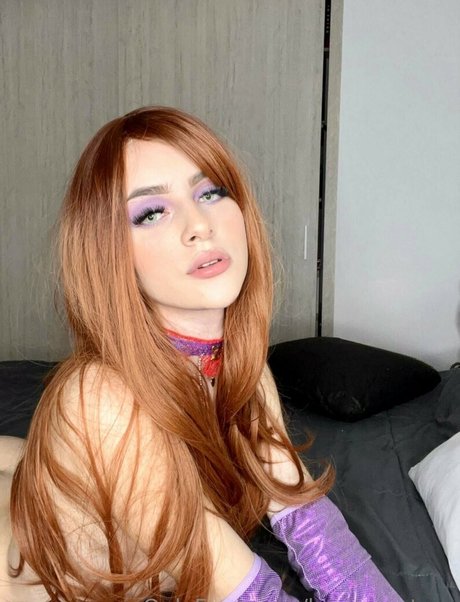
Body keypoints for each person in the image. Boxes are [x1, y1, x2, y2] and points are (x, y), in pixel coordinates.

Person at [0, 107, 403, 601]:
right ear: (109, 253)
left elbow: (309, 523)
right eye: (152, 213)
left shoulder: (237, 365)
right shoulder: (99, 399)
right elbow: (251, 591)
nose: (200, 226)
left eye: (210, 192)